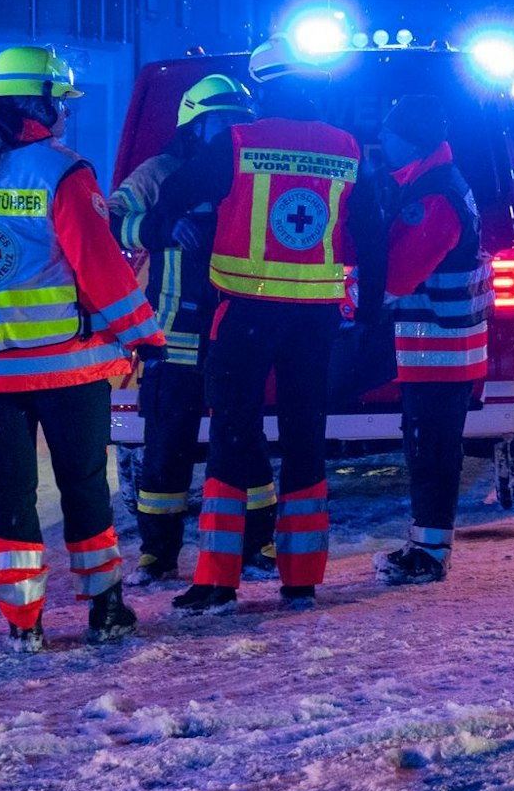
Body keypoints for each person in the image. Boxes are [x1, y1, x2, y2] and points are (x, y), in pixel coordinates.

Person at [0, 46, 163, 652]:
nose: (65, 113)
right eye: (61, 101)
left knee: (9, 495)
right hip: (64, 365)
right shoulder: (63, 172)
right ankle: (105, 609)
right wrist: (144, 336)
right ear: (40, 104)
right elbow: (100, 266)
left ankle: (22, 623)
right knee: (83, 484)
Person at [150, 35, 385, 614]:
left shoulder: (238, 142)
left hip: (245, 314)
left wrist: (165, 231)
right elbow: (374, 238)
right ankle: (301, 578)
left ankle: (218, 579)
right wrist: (371, 314)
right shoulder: (347, 147)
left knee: (232, 437)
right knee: (306, 439)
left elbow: (172, 193)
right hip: (316, 321)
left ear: (263, 88)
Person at [108, 73, 265, 584]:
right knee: (165, 448)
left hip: (234, 331)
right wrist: (158, 228)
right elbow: (107, 221)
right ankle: (158, 555)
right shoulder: (159, 174)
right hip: (173, 332)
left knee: (243, 442)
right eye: (222, 121)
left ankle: (256, 545)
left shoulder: (251, 171)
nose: (232, 132)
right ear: (195, 126)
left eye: (241, 122)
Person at [369, 97, 491, 585]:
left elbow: (397, 275)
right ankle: (426, 547)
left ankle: (430, 555)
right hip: (444, 351)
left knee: (431, 451)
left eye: (389, 134)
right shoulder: (437, 182)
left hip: (438, 353)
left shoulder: (433, 198)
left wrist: (350, 294)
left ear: (411, 139)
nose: (382, 143)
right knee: (431, 448)